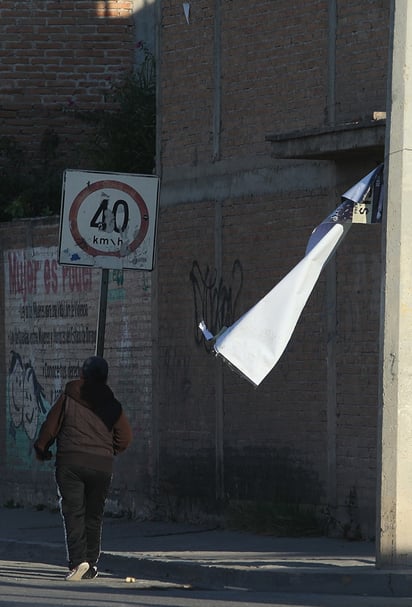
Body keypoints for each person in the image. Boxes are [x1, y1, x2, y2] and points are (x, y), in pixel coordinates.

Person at [33, 355, 133, 581]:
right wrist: (109, 450)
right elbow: (125, 437)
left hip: (70, 463)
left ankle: (79, 562)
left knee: (73, 512)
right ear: (105, 377)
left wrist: (42, 449)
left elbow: (50, 427)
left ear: (82, 374)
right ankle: (91, 563)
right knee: (94, 514)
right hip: (101, 466)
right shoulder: (112, 404)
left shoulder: (69, 396)